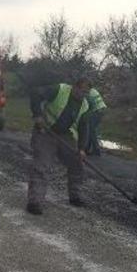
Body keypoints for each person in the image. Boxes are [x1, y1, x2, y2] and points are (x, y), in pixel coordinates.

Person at [26, 77, 91, 215]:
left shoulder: (84, 105)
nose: (83, 95)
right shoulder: (59, 90)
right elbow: (35, 93)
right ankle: (35, 202)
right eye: (81, 91)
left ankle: (75, 196)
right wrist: (37, 115)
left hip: (65, 135)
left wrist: (81, 149)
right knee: (42, 165)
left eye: (86, 93)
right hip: (45, 130)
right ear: (75, 87)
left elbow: (84, 127)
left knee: (77, 163)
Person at [86, 85, 107, 156]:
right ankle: (87, 148)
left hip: (98, 111)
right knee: (90, 129)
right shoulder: (93, 90)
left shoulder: (89, 93)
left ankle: (96, 150)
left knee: (91, 130)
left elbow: (89, 105)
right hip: (101, 110)